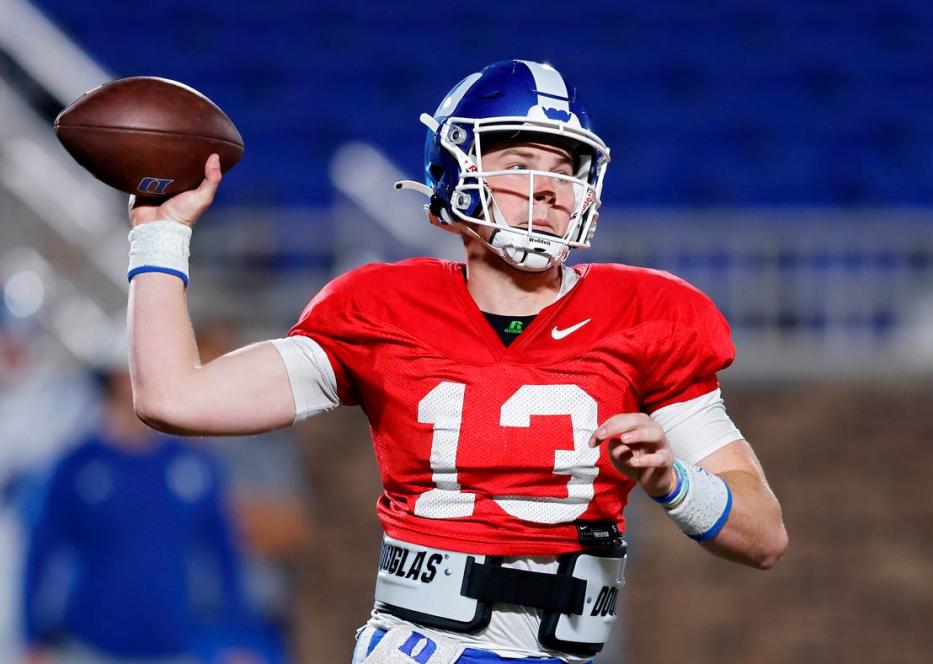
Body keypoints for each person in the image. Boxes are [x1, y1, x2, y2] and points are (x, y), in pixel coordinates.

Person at [124, 60, 788, 664]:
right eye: (524, 161)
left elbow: (763, 536)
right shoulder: (382, 307)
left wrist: (673, 482)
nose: (549, 188)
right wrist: (160, 230)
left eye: (566, 170)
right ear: (456, 171)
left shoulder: (649, 313)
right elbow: (174, 398)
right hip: (426, 650)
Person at [20, 367, 259, 664]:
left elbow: (225, 555)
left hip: (174, 644)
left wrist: (239, 638)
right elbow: (41, 551)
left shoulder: (194, 464)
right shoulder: (76, 464)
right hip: (90, 646)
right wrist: (32, 636)